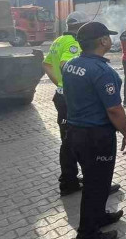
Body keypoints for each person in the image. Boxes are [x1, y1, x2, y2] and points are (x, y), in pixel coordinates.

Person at [63, 21, 126, 239]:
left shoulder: (70, 64)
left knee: (96, 181)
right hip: (96, 136)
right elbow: (114, 109)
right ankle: (88, 233)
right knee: (97, 184)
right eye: (108, 36)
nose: (110, 39)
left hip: (75, 132)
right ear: (103, 41)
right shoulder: (103, 72)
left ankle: (99, 217)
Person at [42, 11, 89, 196]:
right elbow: (65, 65)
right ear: (81, 28)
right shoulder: (73, 43)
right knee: (79, 140)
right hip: (71, 99)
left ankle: (69, 179)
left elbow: (46, 64)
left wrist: (59, 84)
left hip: (61, 96)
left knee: (67, 140)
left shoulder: (58, 41)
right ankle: (85, 180)